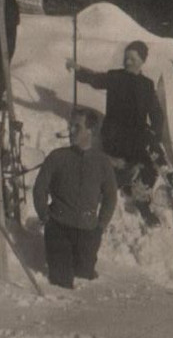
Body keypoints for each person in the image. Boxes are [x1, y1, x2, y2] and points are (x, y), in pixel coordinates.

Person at [67, 40, 164, 228]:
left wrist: (155, 134)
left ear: (142, 61)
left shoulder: (147, 85)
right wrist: (78, 70)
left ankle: (141, 199)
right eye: (126, 58)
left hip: (137, 135)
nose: (127, 62)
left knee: (151, 164)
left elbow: (157, 115)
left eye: (132, 59)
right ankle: (123, 183)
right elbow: (95, 79)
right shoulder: (116, 77)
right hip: (115, 134)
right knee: (133, 162)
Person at [33, 107, 117, 289]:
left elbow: (110, 196)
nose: (70, 131)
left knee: (84, 277)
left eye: (76, 127)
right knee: (61, 282)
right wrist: (45, 216)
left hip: (88, 232)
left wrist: (100, 226)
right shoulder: (57, 157)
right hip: (59, 230)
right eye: (70, 126)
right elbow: (40, 188)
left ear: (91, 131)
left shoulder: (102, 163)